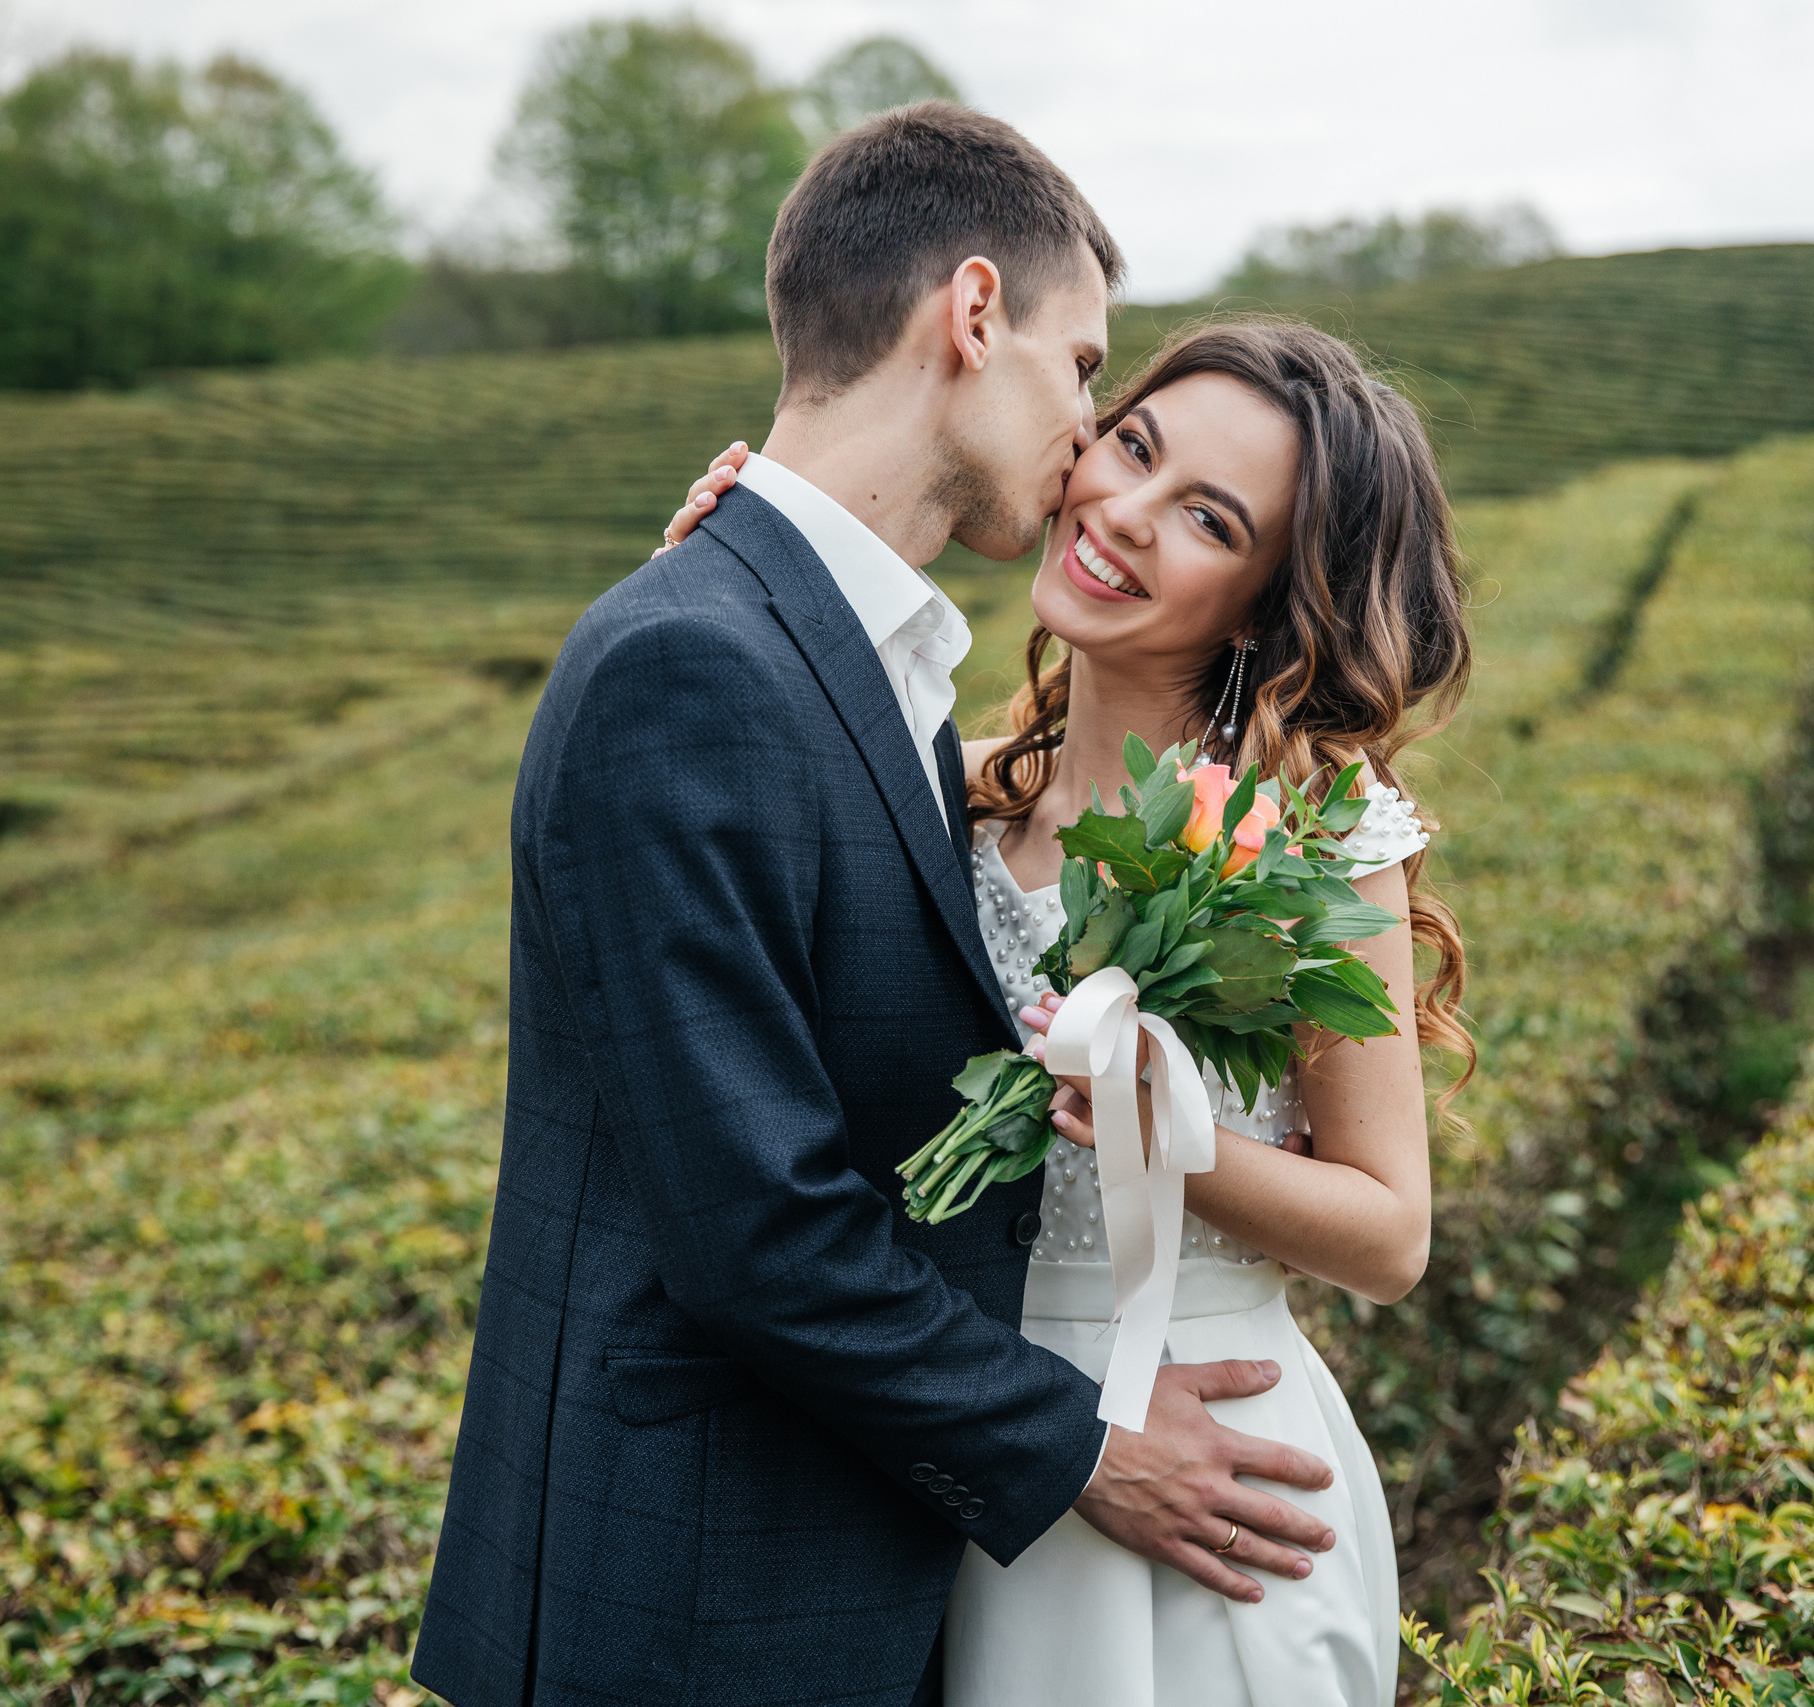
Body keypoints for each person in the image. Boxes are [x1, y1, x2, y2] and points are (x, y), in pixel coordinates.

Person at [412, 107, 1347, 1707]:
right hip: (706, 1594)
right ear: (974, 316)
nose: (1086, 440)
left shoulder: (870, 669)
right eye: (1084, 373)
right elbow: (760, 1229)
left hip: (869, 1560)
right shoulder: (695, 658)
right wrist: (1087, 1454)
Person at [662, 319, 1475, 1706]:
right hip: (967, 1457)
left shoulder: (1318, 836)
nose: (1125, 513)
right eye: (1135, 447)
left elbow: (1390, 1234)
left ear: (1268, 600)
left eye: (1209, 519)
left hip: (1214, 1478)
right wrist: (717, 591)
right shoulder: (940, 791)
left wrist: (1177, 1142)